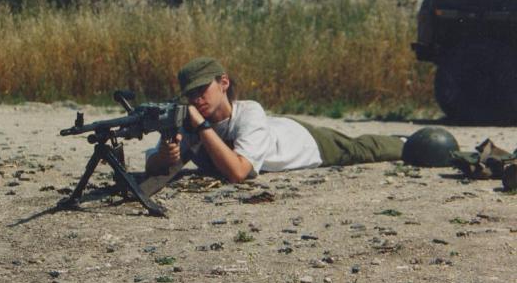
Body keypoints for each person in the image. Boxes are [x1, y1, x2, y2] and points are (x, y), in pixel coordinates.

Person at [145, 57, 404, 183]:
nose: (197, 99)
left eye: (202, 89)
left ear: (224, 83)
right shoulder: (188, 118)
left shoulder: (247, 112)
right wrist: (166, 157)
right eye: (191, 94)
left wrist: (202, 126)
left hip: (304, 142)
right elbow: (152, 166)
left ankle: (404, 142)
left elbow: (238, 172)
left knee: (360, 149)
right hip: (271, 128)